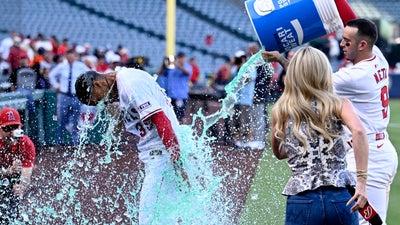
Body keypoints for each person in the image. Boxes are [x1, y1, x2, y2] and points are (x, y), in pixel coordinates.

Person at [264, 18, 398, 225]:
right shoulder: (377, 57)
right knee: (372, 222)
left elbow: (307, 79)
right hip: (380, 149)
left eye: (347, 41)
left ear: (362, 45)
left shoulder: (352, 76)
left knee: (365, 222)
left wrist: (282, 60)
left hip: (365, 152)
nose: (342, 44)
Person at [74, 67, 188, 225]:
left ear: (99, 85)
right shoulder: (121, 83)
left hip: (163, 154)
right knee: (168, 215)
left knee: (147, 218)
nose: (101, 102)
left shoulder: (130, 83)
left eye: (96, 99)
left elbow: (162, 121)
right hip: (159, 153)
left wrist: (178, 163)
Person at [270, 46, 368, 224]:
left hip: (302, 198)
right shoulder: (336, 103)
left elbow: (279, 153)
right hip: (339, 196)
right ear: (324, 72)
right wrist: (361, 182)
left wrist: (301, 146)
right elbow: (359, 131)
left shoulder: (282, 109)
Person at [0, 107, 36, 224]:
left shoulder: (26, 143)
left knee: (11, 208)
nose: (11, 132)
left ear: (20, 128)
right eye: (7, 128)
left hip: (11, 176)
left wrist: (21, 186)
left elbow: (26, 175)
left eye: (15, 127)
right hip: (5, 173)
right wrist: (7, 172)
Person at [49, 49, 89, 145]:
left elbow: (90, 75)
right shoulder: (62, 66)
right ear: (66, 56)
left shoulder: (80, 66)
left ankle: (74, 142)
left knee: (75, 120)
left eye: (73, 55)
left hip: (76, 96)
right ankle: (59, 142)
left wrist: (84, 87)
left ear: (75, 56)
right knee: (61, 119)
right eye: (69, 55)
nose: (71, 57)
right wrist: (56, 85)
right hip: (63, 96)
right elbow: (51, 75)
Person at [166, 52, 192, 122]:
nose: (181, 60)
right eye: (180, 58)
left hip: (180, 96)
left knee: (180, 116)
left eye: (182, 58)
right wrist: (164, 64)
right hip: (171, 95)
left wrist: (178, 66)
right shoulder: (172, 67)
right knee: (170, 116)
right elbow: (160, 73)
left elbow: (187, 73)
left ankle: (180, 131)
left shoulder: (187, 66)